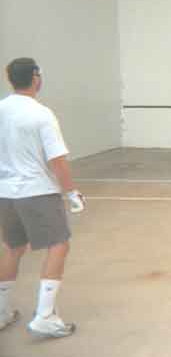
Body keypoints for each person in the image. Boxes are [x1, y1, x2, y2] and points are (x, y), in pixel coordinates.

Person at [0, 57, 86, 338]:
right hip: (37, 192)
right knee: (59, 244)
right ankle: (45, 316)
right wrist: (71, 192)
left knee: (13, 247)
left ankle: (1, 311)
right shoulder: (42, 114)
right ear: (36, 77)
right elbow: (57, 159)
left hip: (5, 194)